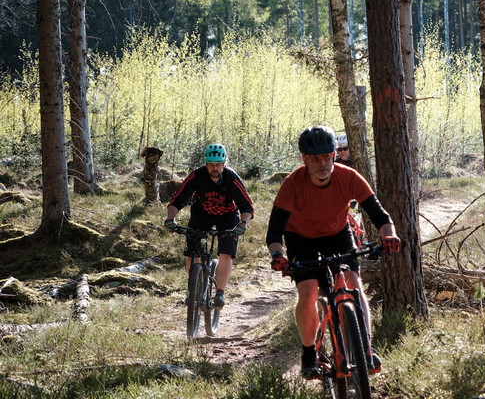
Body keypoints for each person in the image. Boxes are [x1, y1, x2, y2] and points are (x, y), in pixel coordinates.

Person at [266, 126, 400, 379]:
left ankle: (365, 348)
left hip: (338, 235)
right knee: (308, 292)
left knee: (353, 284)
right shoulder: (292, 184)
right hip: (300, 239)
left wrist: (389, 235)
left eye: (327, 156)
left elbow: (380, 215)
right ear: (304, 159)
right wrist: (278, 255)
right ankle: (308, 353)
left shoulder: (348, 176)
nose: (322, 163)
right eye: (315, 159)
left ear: (334, 155)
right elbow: (274, 233)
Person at [164, 143, 254, 309]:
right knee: (193, 253)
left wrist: (243, 223)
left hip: (227, 216)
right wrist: (170, 218)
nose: (214, 168)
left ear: (224, 164)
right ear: (205, 164)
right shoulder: (197, 176)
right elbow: (177, 200)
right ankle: (194, 290)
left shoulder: (232, 178)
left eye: (218, 165)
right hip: (201, 214)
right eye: (211, 164)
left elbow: (246, 205)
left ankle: (220, 292)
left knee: (226, 252)